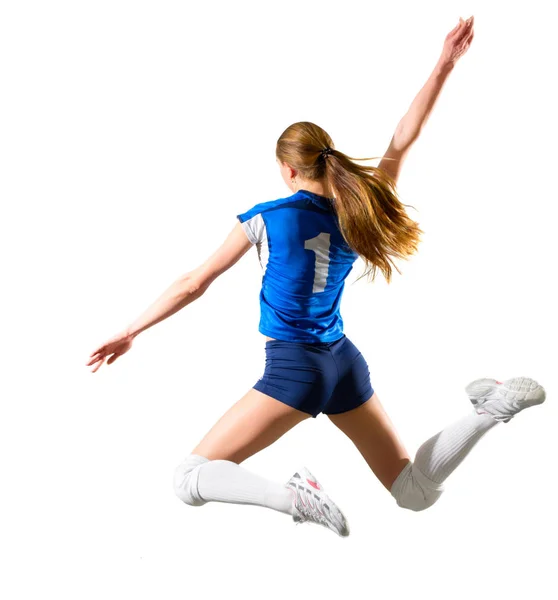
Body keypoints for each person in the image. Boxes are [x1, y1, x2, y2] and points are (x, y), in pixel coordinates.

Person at [86, 15, 546, 537]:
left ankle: (294, 498)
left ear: (288, 170)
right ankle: (490, 410)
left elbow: (195, 282)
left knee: (189, 478)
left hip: (295, 368)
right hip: (342, 362)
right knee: (414, 493)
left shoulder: (265, 217)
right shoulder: (362, 207)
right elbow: (403, 138)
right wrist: (442, 66)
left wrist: (130, 332)